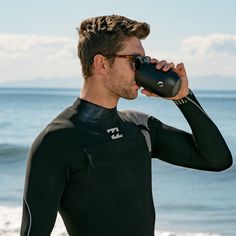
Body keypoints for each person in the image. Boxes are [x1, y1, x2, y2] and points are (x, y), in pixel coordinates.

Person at [20, 15, 232, 236]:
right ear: (101, 63)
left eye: (145, 60)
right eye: (135, 61)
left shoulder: (140, 127)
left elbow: (217, 160)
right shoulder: (56, 141)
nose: (142, 70)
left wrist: (182, 97)